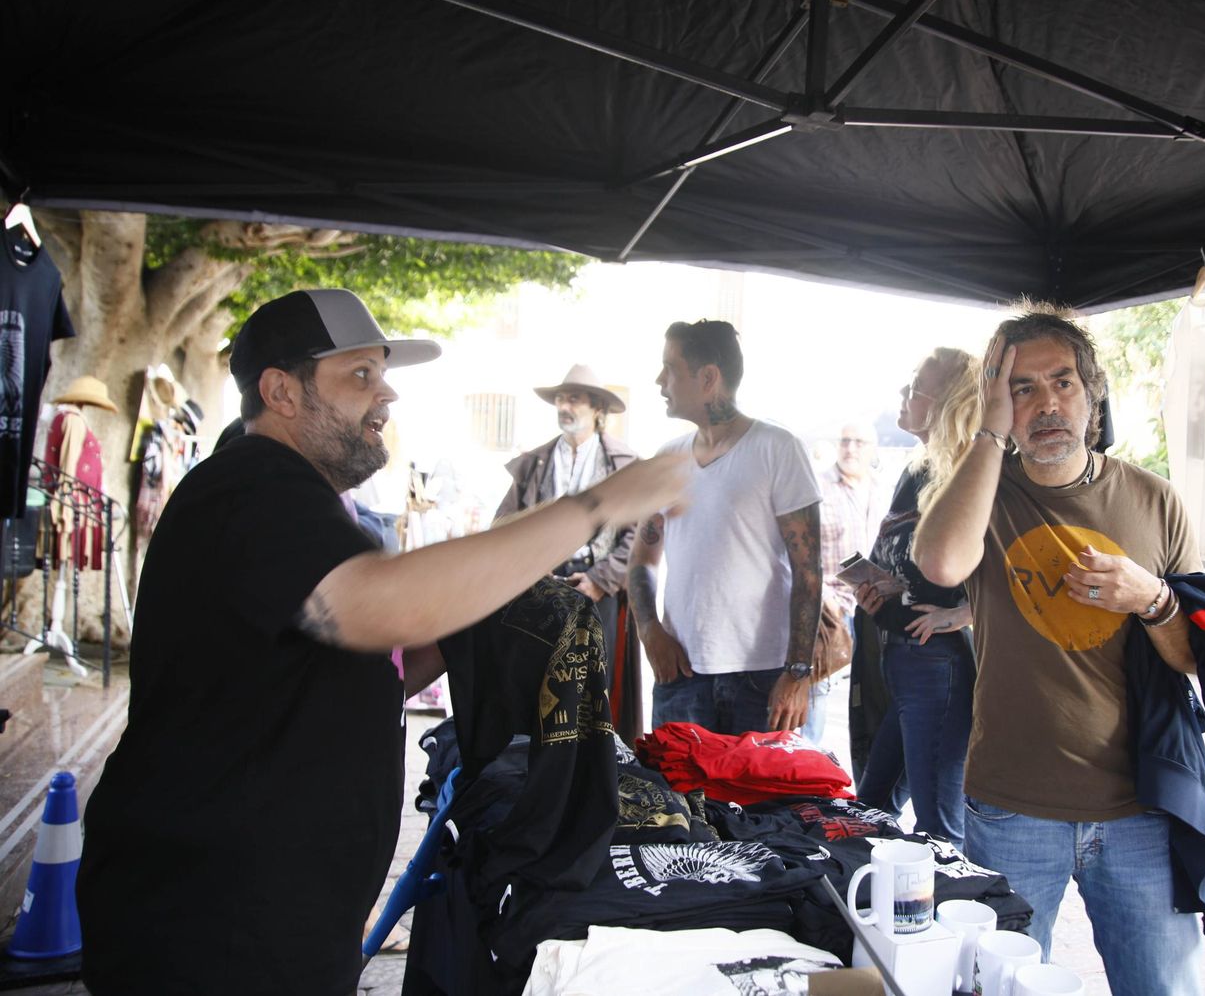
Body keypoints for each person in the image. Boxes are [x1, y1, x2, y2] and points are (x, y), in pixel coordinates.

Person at [77, 289, 687, 996]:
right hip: (212, 920)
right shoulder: (250, 487)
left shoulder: (305, 500)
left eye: (383, 374)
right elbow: (379, 606)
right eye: (360, 375)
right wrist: (599, 505)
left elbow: (367, 665)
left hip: (278, 910)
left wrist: (478, 611)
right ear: (281, 392)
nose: (387, 394)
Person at [911, 304, 1205, 990]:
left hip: (1140, 808)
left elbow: (1195, 657)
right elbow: (941, 563)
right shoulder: (984, 494)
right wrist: (989, 430)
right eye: (1023, 387)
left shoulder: (1155, 500)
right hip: (1013, 805)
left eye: (1063, 382)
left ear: (1092, 393)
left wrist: (1152, 599)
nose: (1046, 403)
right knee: (997, 984)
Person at [628, 319, 823, 736]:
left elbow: (808, 569)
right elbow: (642, 559)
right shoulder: (668, 458)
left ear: (708, 378)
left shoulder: (778, 448)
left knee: (757, 784)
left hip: (762, 678)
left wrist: (798, 672)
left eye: (670, 368)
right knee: (672, 783)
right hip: (680, 673)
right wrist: (649, 629)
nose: (659, 380)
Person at [854, 349, 977, 847]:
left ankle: (945, 898)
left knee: (938, 830)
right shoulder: (917, 469)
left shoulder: (972, 472)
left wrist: (963, 613)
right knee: (870, 807)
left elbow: (1016, 571)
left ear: (948, 403)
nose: (904, 394)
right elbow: (904, 562)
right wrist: (879, 588)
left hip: (937, 665)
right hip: (902, 658)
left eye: (916, 386)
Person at [495, 363, 638, 652]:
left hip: (597, 583)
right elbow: (503, 524)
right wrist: (530, 568)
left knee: (593, 672)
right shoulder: (534, 463)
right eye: (560, 399)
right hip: (541, 585)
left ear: (597, 408)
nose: (563, 406)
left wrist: (600, 580)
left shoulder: (622, 465)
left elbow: (637, 536)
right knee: (538, 669)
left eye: (574, 399)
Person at [813, 420, 887, 744]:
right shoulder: (818, 487)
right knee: (815, 692)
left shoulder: (882, 488)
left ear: (873, 449)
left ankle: (866, 763)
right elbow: (795, 553)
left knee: (869, 696)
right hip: (830, 608)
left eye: (859, 442)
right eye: (845, 441)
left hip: (873, 608)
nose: (850, 449)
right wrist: (822, 596)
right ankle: (807, 760)